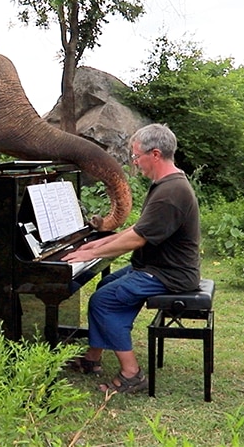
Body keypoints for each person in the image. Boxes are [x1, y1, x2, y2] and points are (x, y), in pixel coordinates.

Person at [63, 123, 200, 394]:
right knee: (106, 287)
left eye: (137, 157)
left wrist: (90, 252)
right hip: (155, 267)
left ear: (156, 154)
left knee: (104, 301)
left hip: (169, 275)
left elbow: (137, 240)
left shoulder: (171, 193)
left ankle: (131, 374)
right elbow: (137, 229)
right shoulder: (167, 184)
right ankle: (92, 359)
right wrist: (97, 243)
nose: (135, 163)